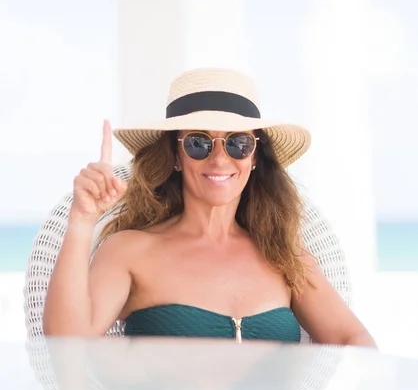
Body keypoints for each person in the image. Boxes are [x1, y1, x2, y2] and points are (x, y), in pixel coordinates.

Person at [42, 67, 377, 347]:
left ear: (255, 156)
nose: (219, 159)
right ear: (174, 155)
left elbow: (353, 338)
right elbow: (66, 347)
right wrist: (83, 219)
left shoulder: (284, 256)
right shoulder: (129, 250)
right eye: (199, 142)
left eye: (238, 143)